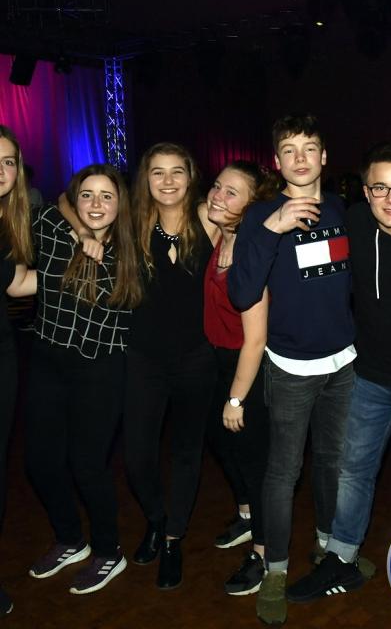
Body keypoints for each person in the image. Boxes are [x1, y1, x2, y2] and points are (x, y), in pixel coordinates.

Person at [286, 141, 391, 602]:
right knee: (353, 471)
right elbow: (293, 238)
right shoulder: (353, 223)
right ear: (365, 191)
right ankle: (341, 560)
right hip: (370, 378)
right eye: (380, 188)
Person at [228, 114, 355, 625]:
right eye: (289, 150)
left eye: (309, 148)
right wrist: (271, 228)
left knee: (333, 463)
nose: (300, 158)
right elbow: (242, 293)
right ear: (277, 162)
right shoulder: (260, 216)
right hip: (290, 369)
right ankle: (275, 570)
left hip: (345, 366)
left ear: (324, 157)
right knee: (283, 474)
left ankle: (327, 548)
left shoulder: (342, 208)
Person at [25, 163, 141, 595]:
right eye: (87, 195)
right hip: (47, 360)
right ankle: (71, 539)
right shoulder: (55, 230)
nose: (96, 204)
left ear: (120, 204)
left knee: (87, 464)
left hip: (100, 368)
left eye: (107, 196)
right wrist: (80, 232)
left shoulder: (133, 252)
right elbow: (53, 201)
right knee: (40, 462)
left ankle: (109, 551)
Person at [123, 142, 219, 590]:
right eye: (157, 172)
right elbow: (69, 199)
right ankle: (157, 518)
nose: (167, 180)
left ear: (190, 176)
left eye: (176, 171)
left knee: (186, 451)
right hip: (143, 358)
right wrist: (83, 231)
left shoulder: (209, 219)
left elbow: (257, 204)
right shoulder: (133, 223)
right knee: (137, 454)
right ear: (145, 178)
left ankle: (173, 538)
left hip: (196, 358)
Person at [203, 160, 279, 595]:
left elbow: (255, 340)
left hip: (247, 368)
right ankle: (247, 517)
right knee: (223, 446)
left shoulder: (251, 253)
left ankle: (264, 555)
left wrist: (236, 399)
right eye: (217, 186)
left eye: (231, 192)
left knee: (256, 466)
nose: (217, 196)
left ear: (251, 206)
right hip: (218, 361)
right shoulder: (219, 232)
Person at [0, 125, 34, 615]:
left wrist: (77, 266)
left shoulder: (8, 220)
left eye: (9, 161)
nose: (2, 170)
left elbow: (15, 283)